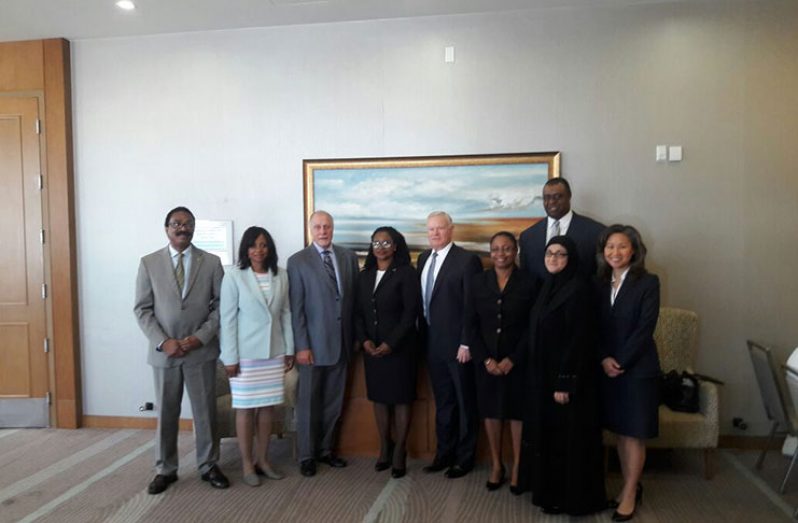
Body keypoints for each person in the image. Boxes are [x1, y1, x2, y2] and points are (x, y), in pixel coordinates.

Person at [134, 206, 230, 494]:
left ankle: (209, 464)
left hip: (200, 351)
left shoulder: (212, 262)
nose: (182, 228)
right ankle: (166, 468)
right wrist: (164, 342)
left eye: (188, 224)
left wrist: (199, 337)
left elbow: (220, 307)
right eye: (176, 223)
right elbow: (142, 309)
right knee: (166, 412)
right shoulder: (149, 263)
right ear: (167, 229)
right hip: (165, 352)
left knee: (205, 412)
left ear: (194, 229)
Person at [521, 235, 606, 515]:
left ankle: (570, 499)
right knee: (550, 439)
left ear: (571, 259)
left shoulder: (579, 289)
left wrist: (565, 381)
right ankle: (551, 494)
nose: (553, 259)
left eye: (560, 254)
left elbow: (578, 339)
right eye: (549, 254)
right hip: (542, 377)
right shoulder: (549, 286)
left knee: (566, 443)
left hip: (565, 381)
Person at [219, 226, 294, 487]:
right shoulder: (234, 276)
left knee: (267, 408)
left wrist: (289, 349)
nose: (258, 250)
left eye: (263, 245)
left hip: (273, 352)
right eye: (253, 245)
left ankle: (263, 460)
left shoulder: (281, 275)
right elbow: (226, 320)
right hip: (245, 355)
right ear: (245, 249)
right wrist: (230, 357)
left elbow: (286, 313)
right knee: (245, 409)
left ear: (270, 248)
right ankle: (247, 463)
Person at [287, 210, 359, 477]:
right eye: (317, 226)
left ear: (333, 228)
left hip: (342, 344)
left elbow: (351, 303)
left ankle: (326, 451)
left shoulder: (348, 258)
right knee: (307, 404)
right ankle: (307, 455)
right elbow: (297, 309)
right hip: (312, 348)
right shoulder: (298, 261)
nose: (323, 231)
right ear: (310, 229)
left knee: (333, 401)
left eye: (327, 226)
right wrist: (302, 346)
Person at [596, 224, 661, 522]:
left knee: (634, 434)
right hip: (606, 367)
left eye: (622, 246)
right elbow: (593, 327)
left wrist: (620, 361)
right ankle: (628, 485)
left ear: (634, 250)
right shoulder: (598, 282)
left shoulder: (648, 282)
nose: (615, 252)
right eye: (610, 246)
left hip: (637, 370)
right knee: (621, 433)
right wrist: (603, 358)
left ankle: (632, 491)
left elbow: (645, 328)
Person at [465, 231, 536, 492]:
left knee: (517, 414)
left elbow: (533, 327)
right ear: (489, 252)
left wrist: (513, 359)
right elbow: (470, 325)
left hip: (518, 362)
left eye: (507, 248)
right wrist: (485, 360)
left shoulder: (530, 282)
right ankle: (497, 464)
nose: (501, 254)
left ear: (515, 251)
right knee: (491, 412)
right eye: (496, 249)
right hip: (486, 363)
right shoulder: (477, 282)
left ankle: (518, 465)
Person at [418, 211, 482, 479]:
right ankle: (443, 454)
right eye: (431, 229)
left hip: (459, 347)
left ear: (451, 229)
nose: (435, 233)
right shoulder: (422, 259)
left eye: (440, 229)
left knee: (465, 403)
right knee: (443, 403)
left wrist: (467, 342)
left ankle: (464, 458)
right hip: (432, 345)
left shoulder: (467, 261)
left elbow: (472, 306)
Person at [354, 227, 421, 479]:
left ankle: (400, 449)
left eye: (386, 242)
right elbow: (358, 313)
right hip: (372, 349)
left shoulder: (406, 274)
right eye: (376, 242)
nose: (380, 246)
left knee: (401, 398)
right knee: (380, 398)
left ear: (395, 246)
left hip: (400, 349)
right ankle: (385, 446)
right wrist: (365, 341)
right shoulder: (365, 275)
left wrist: (391, 343)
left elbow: (409, 313)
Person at [519, 177, 605, 283]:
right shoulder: (528, 237)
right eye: (546, 198)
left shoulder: (596, 232)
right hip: (538, 298)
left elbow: (601, 275)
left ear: (569, 197)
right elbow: (524, 277)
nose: (551, 202)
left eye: (557, 197)